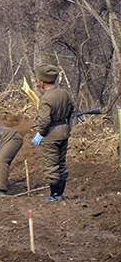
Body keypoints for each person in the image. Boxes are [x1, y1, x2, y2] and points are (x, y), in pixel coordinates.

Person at [31, 64, 74, 202]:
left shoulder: (46, 98)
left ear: (42, 82)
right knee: (61, 163)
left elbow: (44, 120)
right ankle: (60, 193)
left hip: (51, 134)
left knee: (51, 164)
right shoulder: (64, 93)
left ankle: (54, 194)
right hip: (64, 131)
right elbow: (71, 109)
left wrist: (40, 133)